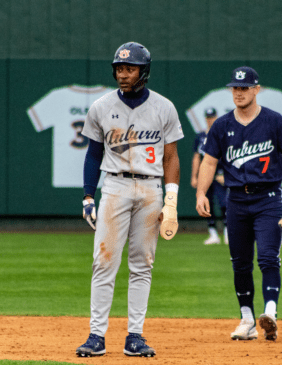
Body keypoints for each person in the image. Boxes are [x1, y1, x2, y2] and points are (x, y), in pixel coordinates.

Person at [76, 41, 183, 357]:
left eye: (130, 68)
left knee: (142, 264)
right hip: (115, 187)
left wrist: (172, 201)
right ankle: (96, 335)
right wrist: (87, 196)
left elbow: (172, 157)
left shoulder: (164, 107)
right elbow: (93, 155)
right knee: (104, 261)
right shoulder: (101, 106)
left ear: (144, 71)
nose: (123, 74)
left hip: (151, 190)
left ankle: (134, 335)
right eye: (120, 68)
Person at [195, 66, 282, 342]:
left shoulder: (273, 121)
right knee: (240, 263)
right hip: (236, 200)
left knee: (268, 257)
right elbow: (209, 161)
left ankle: (270, 314)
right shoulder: (222, 125)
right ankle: (247, 319)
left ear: (256, 89)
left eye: (244, 88)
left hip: (268, 198)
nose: (239, 92)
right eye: (235, 88)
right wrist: (201, 193)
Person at [191, 107, 228, 245]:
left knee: (224, 203)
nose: (210, 120)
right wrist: (194, 176)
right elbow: (196, 158)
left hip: (219, 174)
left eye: (212, 117)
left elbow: (228, 156)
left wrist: (226, 174)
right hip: (205, 175)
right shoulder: (200, 136)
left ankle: (227, 232)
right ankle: (213, 233)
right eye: (208, 117)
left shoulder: (222, 135)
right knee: (207, 204)